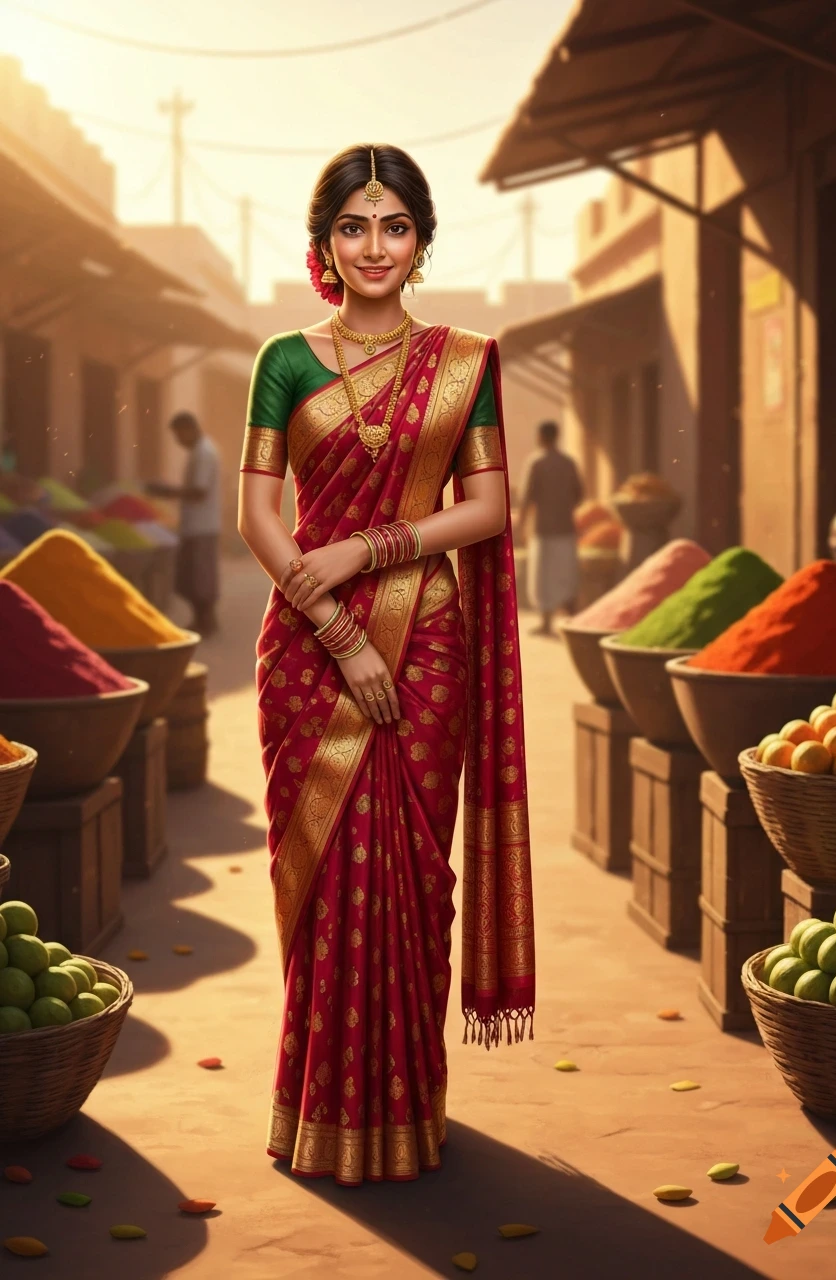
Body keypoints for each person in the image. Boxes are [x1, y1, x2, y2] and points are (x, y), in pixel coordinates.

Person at [237, 144, 535, 1187]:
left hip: (430, 641)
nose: (374, 246)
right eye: (353, 227)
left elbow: (488, 507)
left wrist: (370, 547)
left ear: (421, 240)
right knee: (324, 884)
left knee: (409, 876)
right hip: (309, 651)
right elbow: (257, 519)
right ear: (324, 244)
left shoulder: (465, 358)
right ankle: (313, 1107)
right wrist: (340, 630)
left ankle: (406, 1110)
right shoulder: (284, 358)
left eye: (394, 225)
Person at [147, 412, 221, 636]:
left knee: (200, 577)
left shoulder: (204, 452)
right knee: (193, 576)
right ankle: (203, 620)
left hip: (203, 526)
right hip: (196, 525)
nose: (178, 441)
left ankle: (206, 621)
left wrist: (167, 491)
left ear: (188, 429)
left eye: (178, 435)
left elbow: (199, 491)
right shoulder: (199, 451)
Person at [518, 420, 584, 636]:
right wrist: (564, 507)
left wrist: (521, 524)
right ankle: (573, 620)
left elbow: (526, 497)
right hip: (565, 526)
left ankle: (547, 624)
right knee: (566, 573)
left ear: (541, 437)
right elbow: (579, 493)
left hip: (543, 528)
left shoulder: (536, 463)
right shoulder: (568, 462)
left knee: (544, 576)